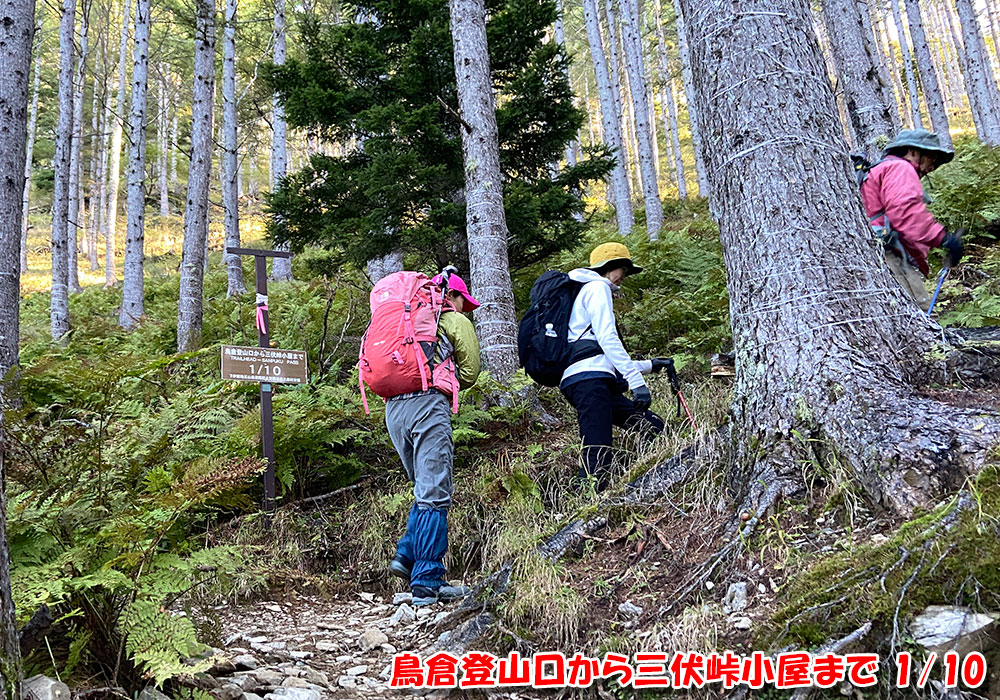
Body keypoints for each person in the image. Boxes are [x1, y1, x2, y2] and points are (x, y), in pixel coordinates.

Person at [386, 272, 481, 606]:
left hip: (393, 408)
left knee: (424, 488)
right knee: (435, 493)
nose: (464, 309)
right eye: (463, 302)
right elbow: (470, 372)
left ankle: (407, 553)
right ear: (452, 297)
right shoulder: (452, 319)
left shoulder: (402, 317)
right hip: (427, 405)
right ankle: (426, 581)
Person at [560, 243, 671, 491]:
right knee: (597, 452)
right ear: (609, 267)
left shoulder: (584, 291)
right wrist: (636, 382)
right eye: (624, 269)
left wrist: (650, 366)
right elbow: (607, 338)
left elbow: (598, 352)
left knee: (653, 427)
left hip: (590, 379)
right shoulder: (597, 287)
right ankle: (585, 509)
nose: (624, 276)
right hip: (590, 382)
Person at [860, 129, 964, 310]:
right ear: (913, 152)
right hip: (891, 255)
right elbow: (905, 213)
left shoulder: (883, 168)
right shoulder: (901, 168)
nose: (932, 167)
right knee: (916, 312)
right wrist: (944, 239)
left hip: (879, 252)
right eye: (931, 158)